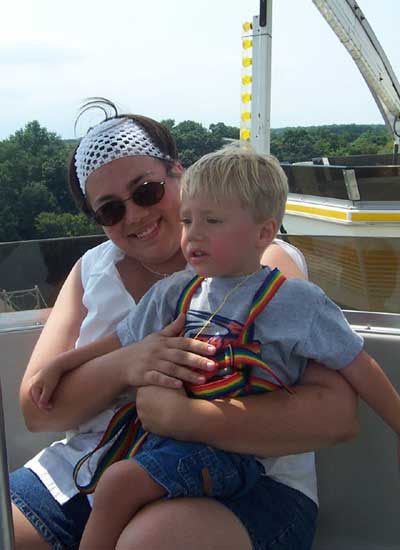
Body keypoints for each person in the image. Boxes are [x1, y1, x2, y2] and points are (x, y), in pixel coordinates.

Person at [11, 99, 359, 550]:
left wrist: (180, 415)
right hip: (89, 469)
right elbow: (38, 409)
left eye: (147, 191)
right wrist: (128, 364)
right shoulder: (90, 271)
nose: (134, 214)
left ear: (179, 173)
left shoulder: (258, 266)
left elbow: (334, 414)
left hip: (242, 481)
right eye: (110, 210)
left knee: (151, 540)